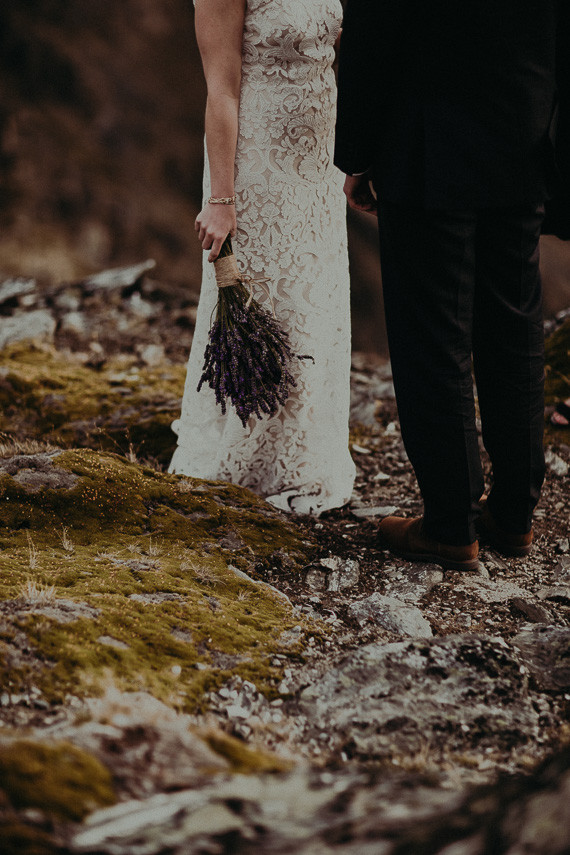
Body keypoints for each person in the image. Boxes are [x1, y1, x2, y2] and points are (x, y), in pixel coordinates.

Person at [335, 0, 569, 570]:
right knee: (515, 328)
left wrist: (359, 156)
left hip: (425, 144)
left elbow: (373, 30)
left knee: (432, 337)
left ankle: (449, 523)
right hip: (522, 136)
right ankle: (514, 516)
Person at [169, 0, 355, 514]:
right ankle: (239, 457)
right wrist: (222, 200)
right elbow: (222, 90)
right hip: (255, 163)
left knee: (310, 304)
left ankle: (303, 460)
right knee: (264, 300)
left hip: (318, 165)